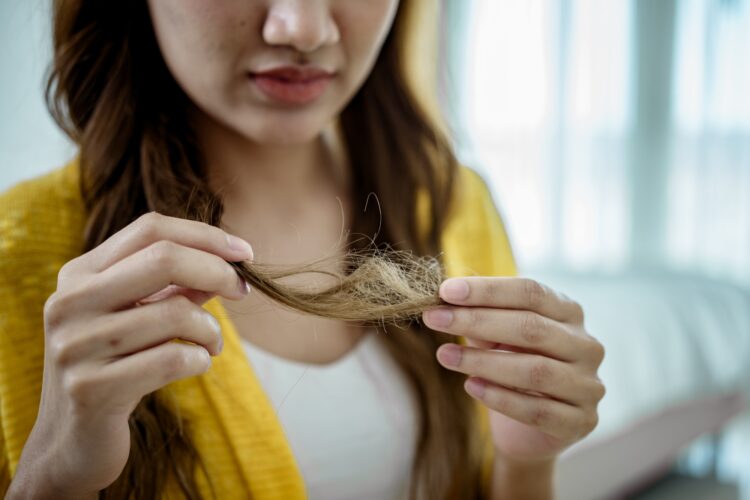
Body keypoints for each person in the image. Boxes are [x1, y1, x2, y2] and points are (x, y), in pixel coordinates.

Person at [0, 1, 606, 498]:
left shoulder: (453, 204)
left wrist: (527, 463)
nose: (303, 27)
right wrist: (51, 477)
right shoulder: (19, 256)